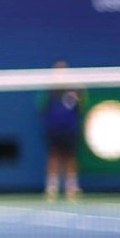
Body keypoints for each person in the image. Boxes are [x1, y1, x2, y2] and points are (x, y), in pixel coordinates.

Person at [41, 61, 84, 202]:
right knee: (54, 156)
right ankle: (51, 188)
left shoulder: (75, 89)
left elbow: (82, 106)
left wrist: (79, 96)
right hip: (54, 129)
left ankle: (71, 188)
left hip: (70, 129)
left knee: (70, 157)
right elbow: (41, 105)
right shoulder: (49, 89)